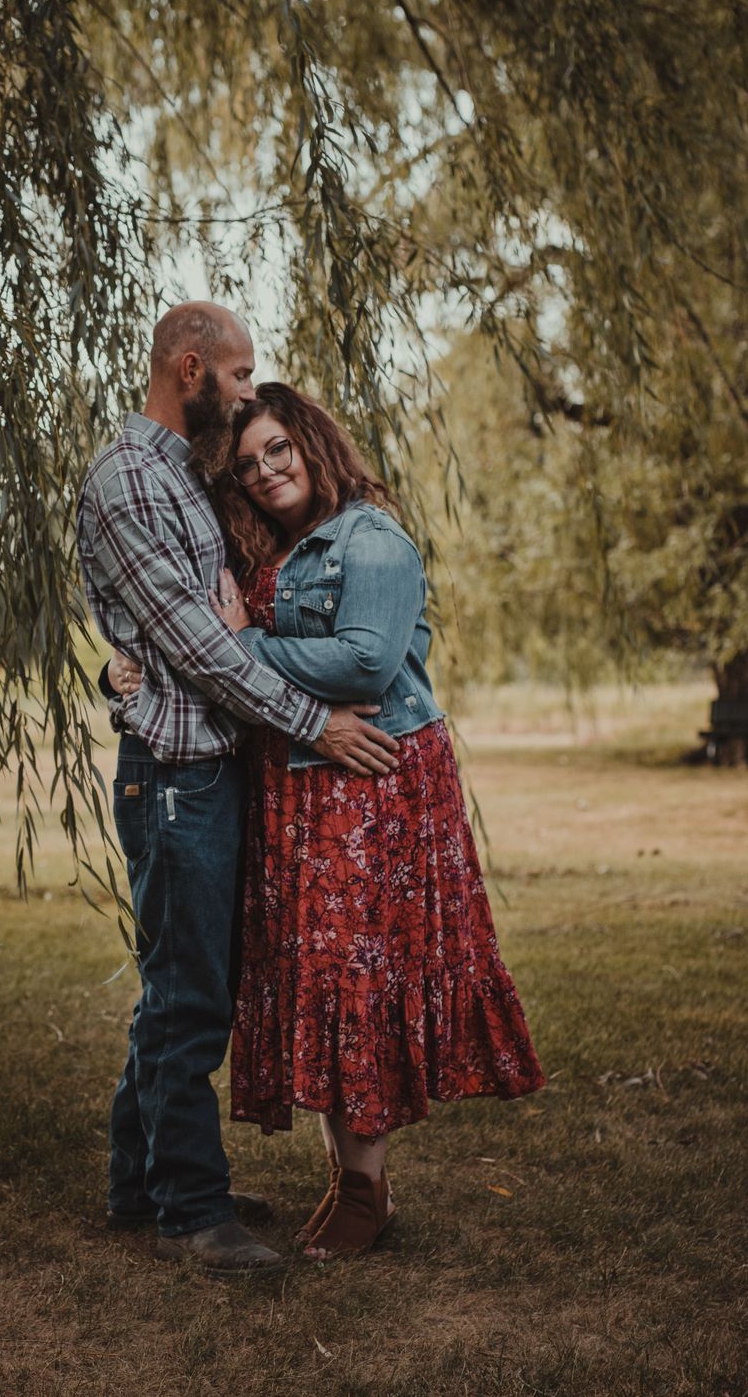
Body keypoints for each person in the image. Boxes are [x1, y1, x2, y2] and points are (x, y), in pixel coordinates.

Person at [116, 380, 545, 1259]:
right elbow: (192, 641)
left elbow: (366, 663)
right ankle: (350, 1182)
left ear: (312, 443)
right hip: (300, 789)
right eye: (247, 464)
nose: (266, 471)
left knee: (359, 982)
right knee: (321, 980)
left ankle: (365, 1191)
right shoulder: (272, 546)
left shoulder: (371, 540)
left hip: (369, 791)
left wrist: (244, 644)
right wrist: (130, 670)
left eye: (278, 448)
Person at [76, 305, 400, 1276]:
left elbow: (218, 629)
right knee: (188, 1002)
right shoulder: (126, 481)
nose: (251, 390)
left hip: (212, 772)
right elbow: (200, 649)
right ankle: (191, 1212)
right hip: (175, 778)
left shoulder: (187, 472)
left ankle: (141, 1183)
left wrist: (125, 671)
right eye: (239, 374)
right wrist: (314, 723)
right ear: (190, 369)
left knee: (181, 991)